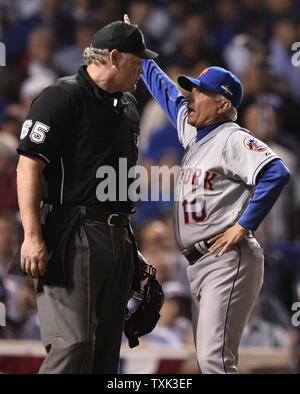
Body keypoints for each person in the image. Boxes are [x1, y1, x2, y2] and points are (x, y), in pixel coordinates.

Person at [123, 12, 290, 374]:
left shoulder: (231, 137)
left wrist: (244, 225)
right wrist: (142, 50)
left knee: (215, 362)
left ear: (223, 104)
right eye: (194, 89)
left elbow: (277, 171)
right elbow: (168, 92)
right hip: (201, 263)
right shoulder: (196, 133)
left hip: (228, 259)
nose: (192, 95)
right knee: (211, 361)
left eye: (201, 92)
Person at [8, 20, 158, 374]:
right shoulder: (61, 96)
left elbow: (121, 177)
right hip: (71, 232)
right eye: (138, 61)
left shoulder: (129, 106)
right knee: (72, 345)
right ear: (115, 57)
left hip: (116, 235)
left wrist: (126, 237)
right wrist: (31, 236)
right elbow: (27, 168)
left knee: (105, 355)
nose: (142, 68)